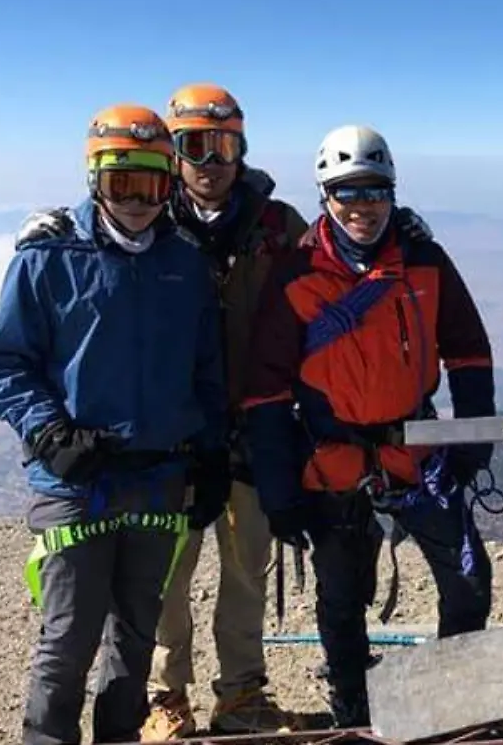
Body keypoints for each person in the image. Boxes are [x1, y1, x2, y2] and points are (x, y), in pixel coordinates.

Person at [0, 105, 227, 745]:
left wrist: (210, 454)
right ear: (95, 180)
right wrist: (49, 433)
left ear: (169, 184)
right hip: (75, 483)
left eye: (151, 185)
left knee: (135, 640)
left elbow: (206, 371)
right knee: (68, 640)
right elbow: (0, 363)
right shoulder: (48, 258)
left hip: (158, 480)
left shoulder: (185, 264)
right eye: (121, 184)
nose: (137, 203)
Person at [240, 124, 497, 727]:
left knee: (468, 578)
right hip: (333, 456)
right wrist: (278, 490)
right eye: (347, 192)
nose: (363, 206)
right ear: (325, 195)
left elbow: (468, 351)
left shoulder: (424, 260)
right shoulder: (297, 273)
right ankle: (353, 704)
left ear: (392, 193)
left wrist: (471, 438)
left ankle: (453, 697)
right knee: (341, 590)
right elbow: (267, 390)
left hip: (416, 449)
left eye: (375, 191)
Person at [136, 82, 310, 740]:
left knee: (246, 571)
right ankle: (166, 697)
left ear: (243, 150)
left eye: (224, 146)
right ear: (173, 152)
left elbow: (332, 273)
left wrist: (403, 234)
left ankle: (240, 695)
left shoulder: (277, 226)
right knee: (168, 577)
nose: (210, 162)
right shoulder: (150, 219)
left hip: (255, 428)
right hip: (173, 436)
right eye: (195, 146)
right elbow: (98, 232)